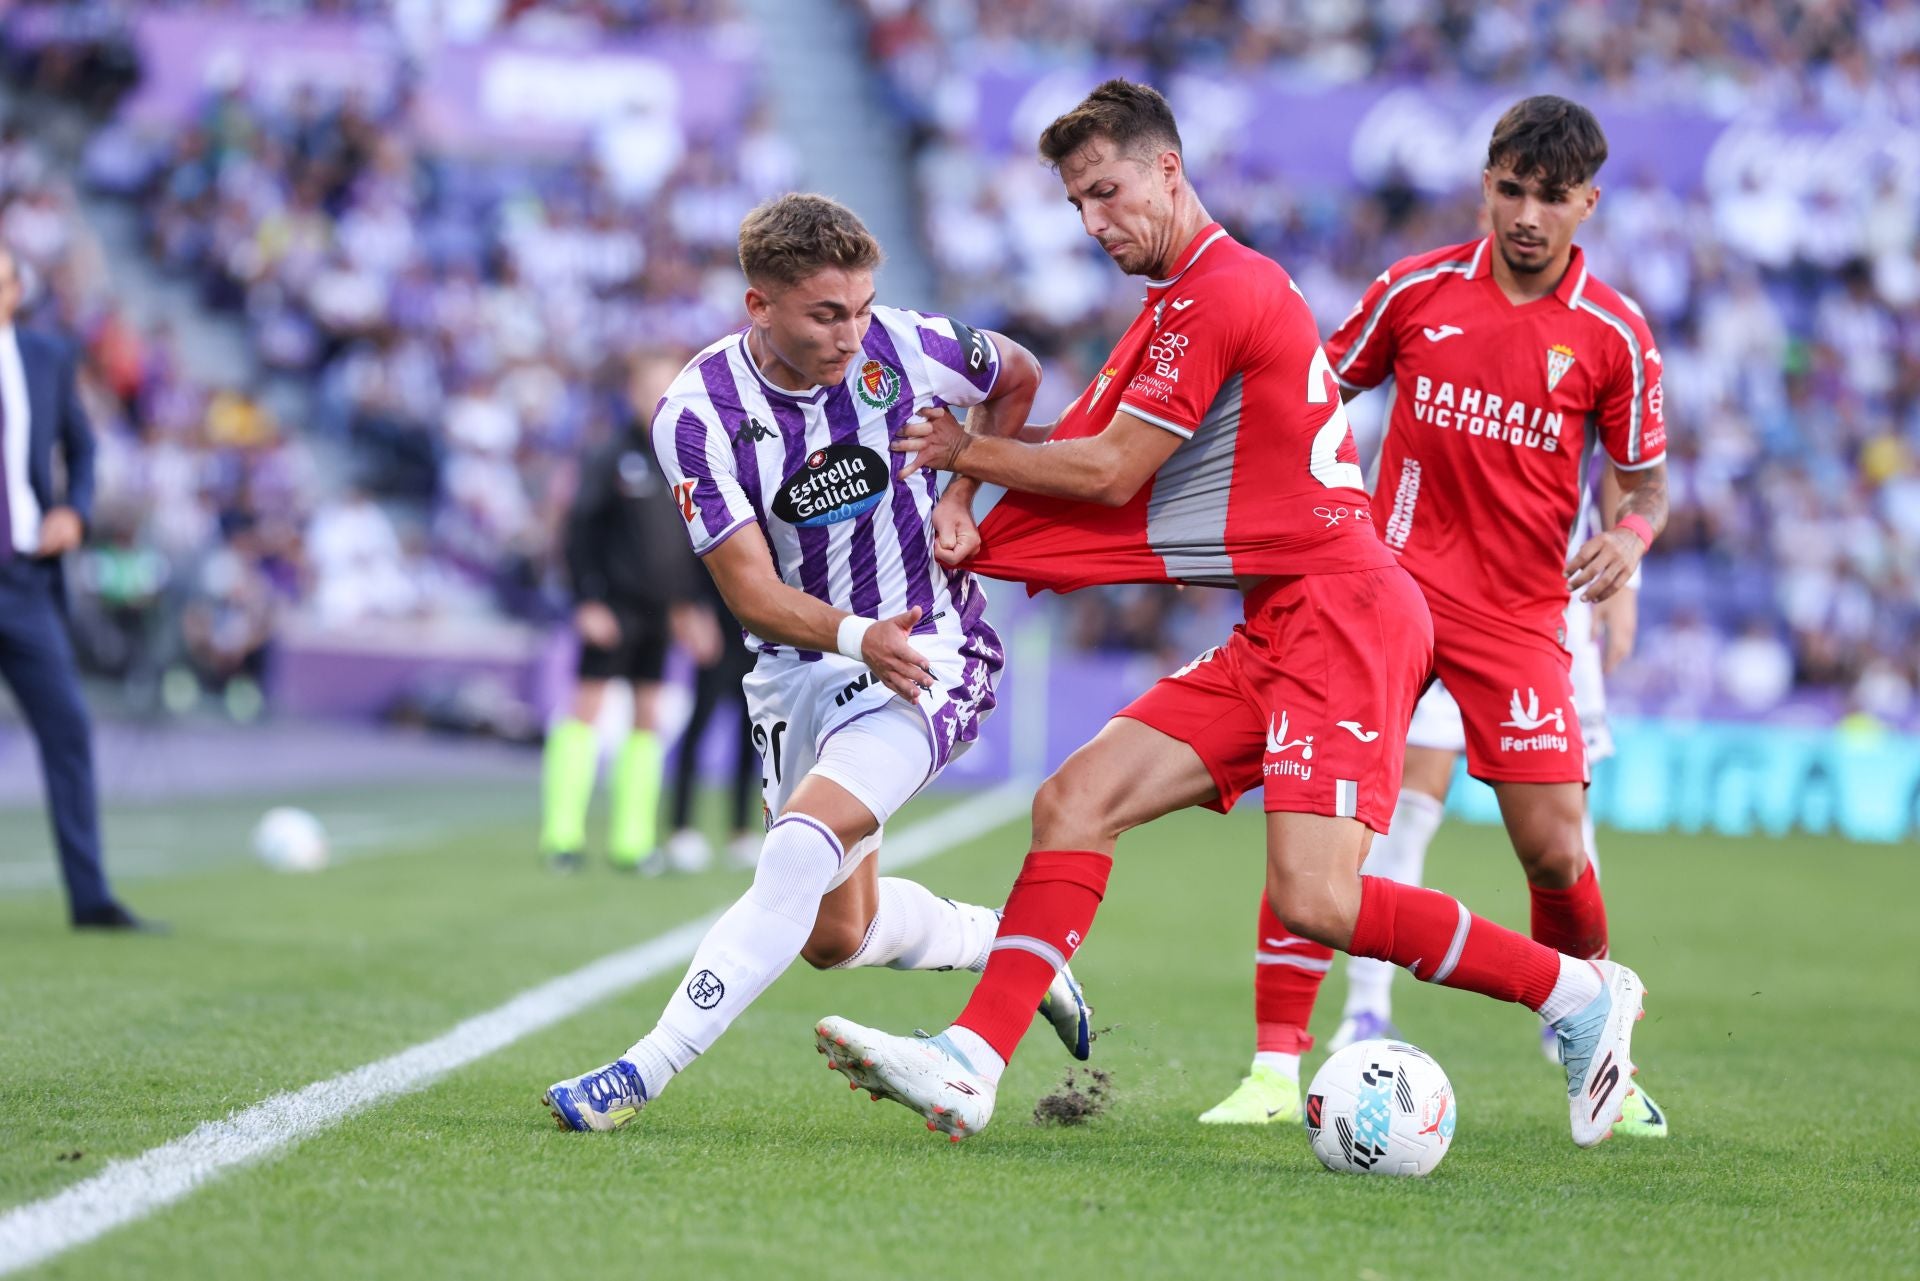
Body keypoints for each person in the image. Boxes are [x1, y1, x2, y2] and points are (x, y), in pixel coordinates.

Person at [815, 80, 1648, 1149]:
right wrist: (976, 497)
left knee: (1320, 899)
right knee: (1075, 801)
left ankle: (1579, 996)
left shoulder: (1223, 291)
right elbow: (1095, 439)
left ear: (1169, 169)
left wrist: (963, 453)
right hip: (1285, 619)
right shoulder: (1183, 303)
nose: (1095, 222)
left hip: (1348, 612)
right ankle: (969, 1064)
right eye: (1077, 205)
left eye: (1108, 192)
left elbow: (1114, 470)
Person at [542, 194, 1090, 1131]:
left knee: (799, 844)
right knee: (838, 935)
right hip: (802, 663)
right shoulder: (697, 414)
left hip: (930, 649)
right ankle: (1004, 943)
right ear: (759, 307)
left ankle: (637, 1074)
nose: (853, 335)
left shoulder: (906, 347)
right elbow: (751, 592)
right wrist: (851, 634)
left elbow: (1021, 374)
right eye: (826, 314)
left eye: (863, 307)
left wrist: (966, 487)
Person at [1198, 95, 1669, 1138]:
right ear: (1486, 183)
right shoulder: (1413, 291)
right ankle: (1276, 1068)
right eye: (1512, 191)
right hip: (1386, 598)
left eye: (1553, 198)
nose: (1529, 217)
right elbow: (1307, 401)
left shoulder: (1614, 337)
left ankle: (1598, 1043)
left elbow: (1644, 486)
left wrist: (1627, 544)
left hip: (1520, 618)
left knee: (1553, 852)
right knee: (1321, 829)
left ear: (1588, 201)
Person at [0, 245, 154, 931]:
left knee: (67, 726)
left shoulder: (44, 358)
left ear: (14, 291)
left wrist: (76, 510)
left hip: (26, 577)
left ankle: (90, 896)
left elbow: (84, 450)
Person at [542, 352, 717, 873]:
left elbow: (695, 542)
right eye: (650, 390)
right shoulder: (610, 456)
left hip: (662, 614)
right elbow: (577, 533)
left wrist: (692, 607)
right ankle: (562, 837)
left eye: (669, 389)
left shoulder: (684, 458)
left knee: (648, 717)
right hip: (612, 607)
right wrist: (586, 600)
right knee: (587, 711)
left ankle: (632, 842)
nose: (658, 400)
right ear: (632, 393)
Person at [659, 563, 760, 874]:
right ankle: (681, 827)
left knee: (753, 734)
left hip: (756, 638)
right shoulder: (717, 516)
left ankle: (742, 831)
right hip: (716, 634)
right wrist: (695, 616)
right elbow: (696, 567)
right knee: (698, 729)